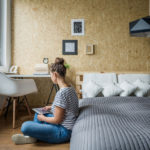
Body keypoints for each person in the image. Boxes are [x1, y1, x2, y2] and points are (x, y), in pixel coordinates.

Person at [11, 57, 79, 144]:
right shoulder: (70, 87)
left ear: (55, 75)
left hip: (63, 131)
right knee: (39, 113)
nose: (51, 78)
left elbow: (57, 120)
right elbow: (67, 106)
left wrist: (43, 118)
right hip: (65, 126)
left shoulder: (61, 93)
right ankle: (35, 136)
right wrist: (51, 107)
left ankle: (33, 136)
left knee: (25, 126)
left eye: (50, 75)